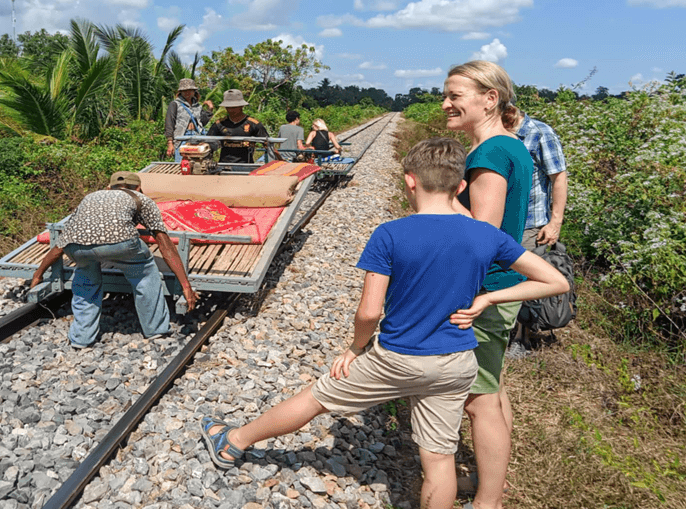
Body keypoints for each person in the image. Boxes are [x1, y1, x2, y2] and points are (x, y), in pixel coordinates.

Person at [197, 138, 568, 509]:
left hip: (397, 358)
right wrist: (488, 298)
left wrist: (356, 348)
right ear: (461, 187)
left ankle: (233, 442)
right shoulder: (487, 235)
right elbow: (555, 281)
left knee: (317, 398)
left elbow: (369, 313)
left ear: (409, 181)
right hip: (456, 362)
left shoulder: (390, 234)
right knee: (438, 459)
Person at [442, 60, 533, 509]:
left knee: (479, 399)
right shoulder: (512, 146)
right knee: (492, 387)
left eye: (455, 95)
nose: (446, 104)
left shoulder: (490, 154)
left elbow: (483, 234)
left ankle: (488, 501)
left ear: (489, 98)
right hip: (499, 286)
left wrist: (436, 199)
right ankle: (488, 480)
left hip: (483, 291)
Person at [29, 171, 199, 348]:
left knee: (86, 280)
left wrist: (38, 274)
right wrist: (185, 286)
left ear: (108, 188)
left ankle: (81, 339)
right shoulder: (142, 199)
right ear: (139, 188)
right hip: (122, 245)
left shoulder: (90, 198)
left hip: (77, 248)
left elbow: (59, 246)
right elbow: (164, 243)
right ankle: (155, 330)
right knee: (145, 274)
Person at [513, 111, 568, 250]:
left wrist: (555, 224)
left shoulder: (540, 133)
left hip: (528, 230)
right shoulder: (492, 131)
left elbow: (559, 177)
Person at [206, 89, 269, 163]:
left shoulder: (253, 124)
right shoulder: (219, 124)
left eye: (234, 107)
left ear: (241, 106)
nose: (230, 110)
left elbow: (268, 144)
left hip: (246, 167)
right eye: (228, 107)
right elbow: (207, 144)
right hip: (224, 167)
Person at [165, 78, 214, 162]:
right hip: (181, 138)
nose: (187, 93)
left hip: (197, 137)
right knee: (183, 164)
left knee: (198, 164)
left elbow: (202, 122)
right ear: (180, 92)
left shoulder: (198, 106)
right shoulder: (175, 104)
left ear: (194, 91)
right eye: (184, 91)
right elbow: (169, 122)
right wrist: (170, 142)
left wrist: (210, 110)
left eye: (190, 90)